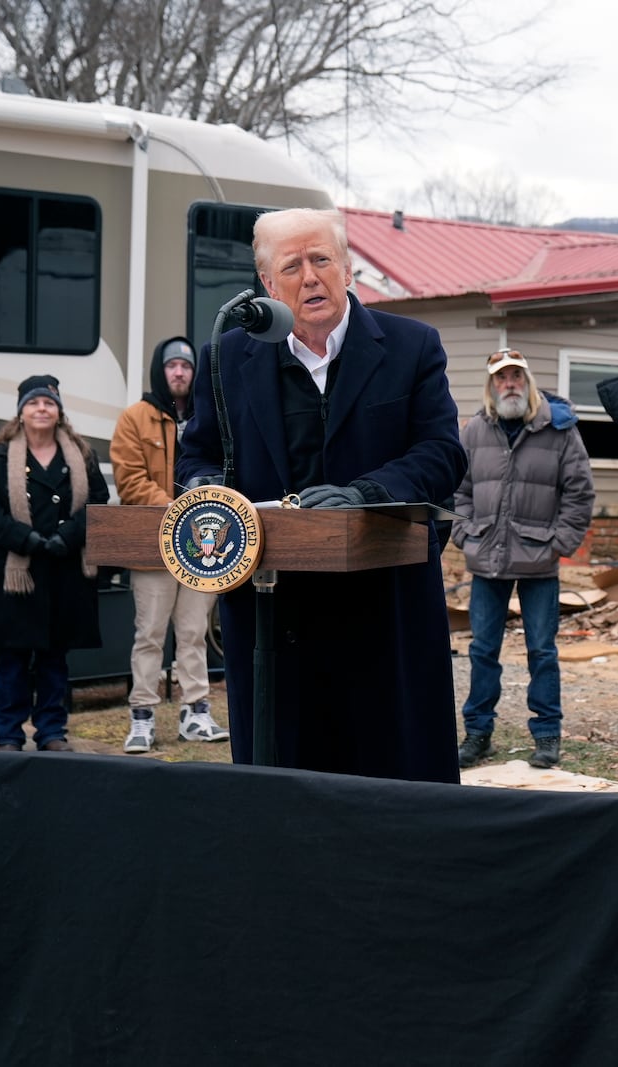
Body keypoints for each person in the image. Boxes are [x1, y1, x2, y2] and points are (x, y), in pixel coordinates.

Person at [176, 208, 466, 782]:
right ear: (267, 285)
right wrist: (203, 488)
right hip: (273, 613)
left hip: (385, 606)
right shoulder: (225, 358)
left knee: (390, 776)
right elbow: (200, 453)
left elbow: (441, 453)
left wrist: (365, 494)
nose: (310, 277)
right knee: (286, 781)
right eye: (292, 265)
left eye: (321, 260)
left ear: (348, 267)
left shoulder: (412, 346)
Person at [454, 349, 594, 770]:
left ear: (528, 381)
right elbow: (456, 489)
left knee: (542, 652)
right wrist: (463, 533)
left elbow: (580, 492)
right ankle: (478, 735)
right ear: (491, 385)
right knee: (482, 651)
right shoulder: (474, 430)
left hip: (538, 561)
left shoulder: (559, 430)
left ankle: (547, 736)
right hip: (486, 560)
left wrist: (560, 543)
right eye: (501, 378)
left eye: (516, 375)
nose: (509, 383)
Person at [0, 375, 109, 751]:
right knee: (13, 657)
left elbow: (98, 502)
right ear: (20, 412)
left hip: (64, 570)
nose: (41, 409)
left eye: (48, 403)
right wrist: (24, 538)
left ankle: (51, 731)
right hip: (17, 573)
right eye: (33, 403)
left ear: (59, 411)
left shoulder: (81, 455)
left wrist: (68, 536)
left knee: (54, 656)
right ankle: (8, 735)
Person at [109, 337, 228, 754]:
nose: (179, 372)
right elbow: (130, 480)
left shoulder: (209, 417)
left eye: (186, 366)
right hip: (154, 545)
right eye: (171, 365)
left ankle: (195, 713)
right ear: (159, 370)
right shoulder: (134, 419)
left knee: (194, 632)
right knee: (150, 634)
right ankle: (141, 717)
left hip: (203, 547)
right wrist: (182, 509)